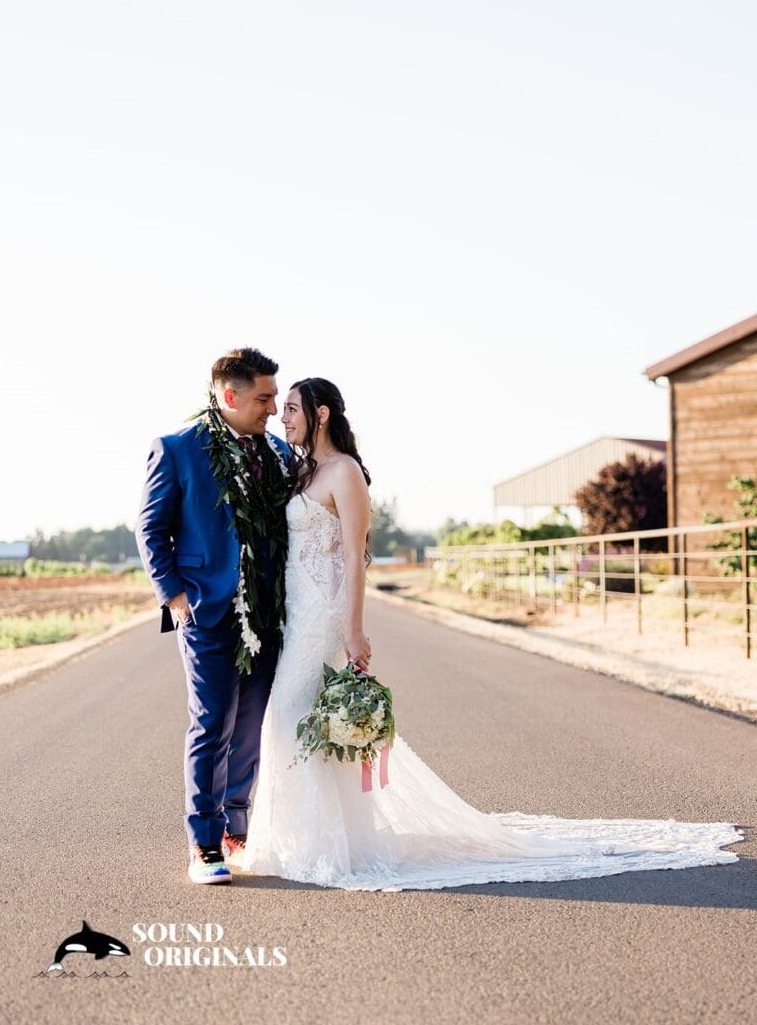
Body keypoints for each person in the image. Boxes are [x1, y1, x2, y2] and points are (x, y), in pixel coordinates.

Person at [237, 377, 744, 890]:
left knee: (288, 716)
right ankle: (313, 841)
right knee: (302, 723)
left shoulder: (344, 473)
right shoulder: (304, 472)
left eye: (294, 409)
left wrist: (353, 628)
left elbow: (353, 557)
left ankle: (322, 846)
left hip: (324, 618)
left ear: (321, 414)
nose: (285, 417)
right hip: (296, 615)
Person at [136, 347, 293, 885]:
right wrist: (176, 599)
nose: (273, 409)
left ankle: (237, 830)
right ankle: (203, 845)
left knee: (249, 727)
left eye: (275, 398)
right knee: (212, 724)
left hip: (269, 612)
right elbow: (150, 530)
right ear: (230, 396)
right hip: (205, 608)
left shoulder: (276, 451)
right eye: (264, 398)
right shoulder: (178, 449)